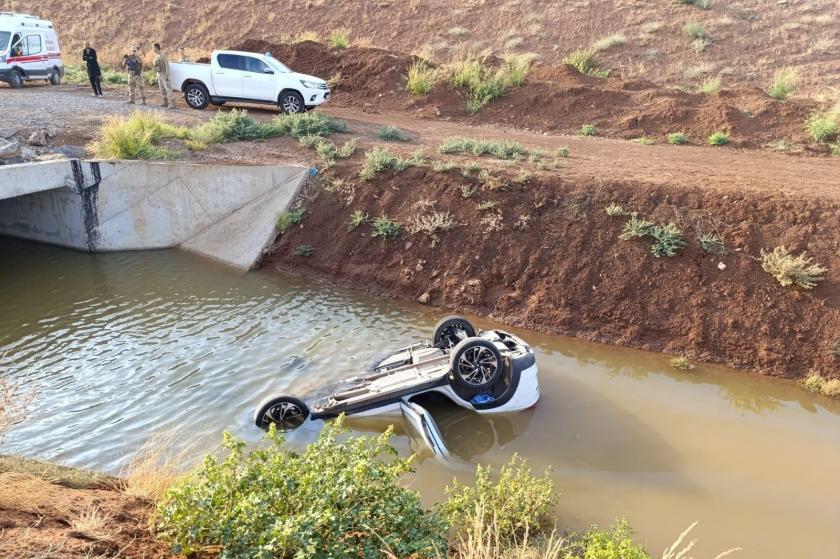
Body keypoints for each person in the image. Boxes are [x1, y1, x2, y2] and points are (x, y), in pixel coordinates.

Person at [152, 43, 175, 109]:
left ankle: (173, 103)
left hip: (164, 75)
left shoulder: (163, 55)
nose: (153, 49)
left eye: (153, 48)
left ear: (156, 48)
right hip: (159, 74)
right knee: (162, 89)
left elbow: (167, 66)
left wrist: (167, 75)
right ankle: (165, 102)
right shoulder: (157, 56)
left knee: (168, 89)